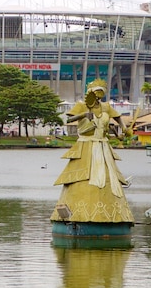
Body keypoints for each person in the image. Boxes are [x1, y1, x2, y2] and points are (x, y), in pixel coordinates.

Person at [50, 79, 134, 224]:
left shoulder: (106, 107)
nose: (98, 96)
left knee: (109, 181)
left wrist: (123, 129)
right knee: (83, 177)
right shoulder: (82, 105)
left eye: (101, 93)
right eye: (96, 93)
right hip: (86, 146)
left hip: (103, 146)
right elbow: (69, 120)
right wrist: (83, 115)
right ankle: (77, 215)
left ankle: (114, 216)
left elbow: (117, 117)